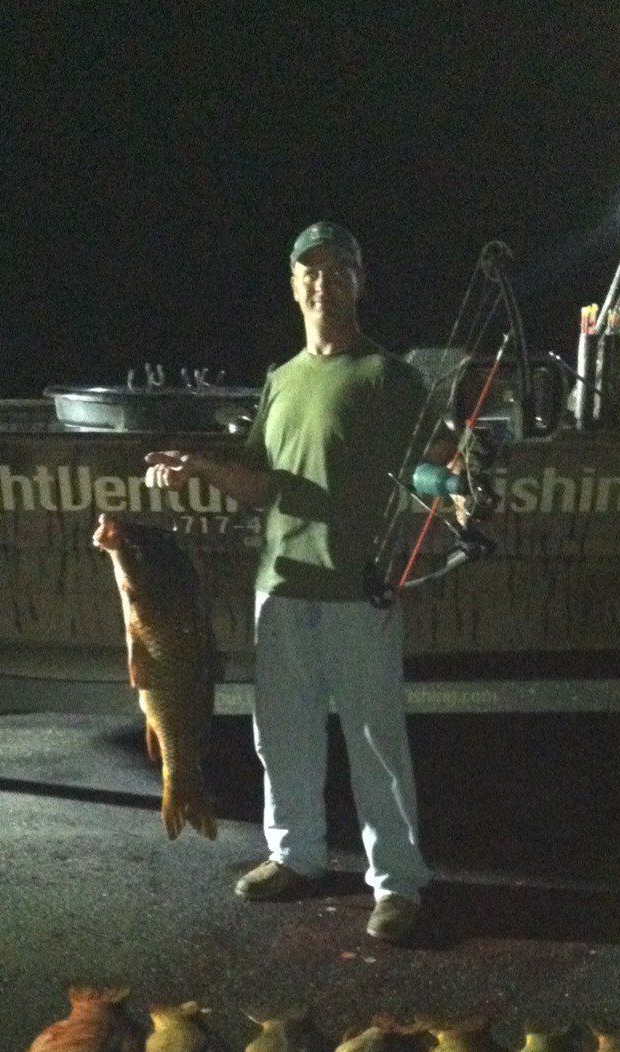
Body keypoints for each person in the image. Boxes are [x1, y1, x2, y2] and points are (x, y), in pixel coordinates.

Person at [144, 221, 431, 944]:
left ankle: (396, 885)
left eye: (338, 269)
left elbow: (433, 465)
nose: (322, 282)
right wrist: (200, 469)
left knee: (375, 746)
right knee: (283, 738)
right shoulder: (280, 378)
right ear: (293, 282)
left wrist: (455, 490)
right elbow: (261, 484)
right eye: (309, 270)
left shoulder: (391, 377)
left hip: (358, 591)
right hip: (281, 587)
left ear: (359, 281)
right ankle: (294, 856)